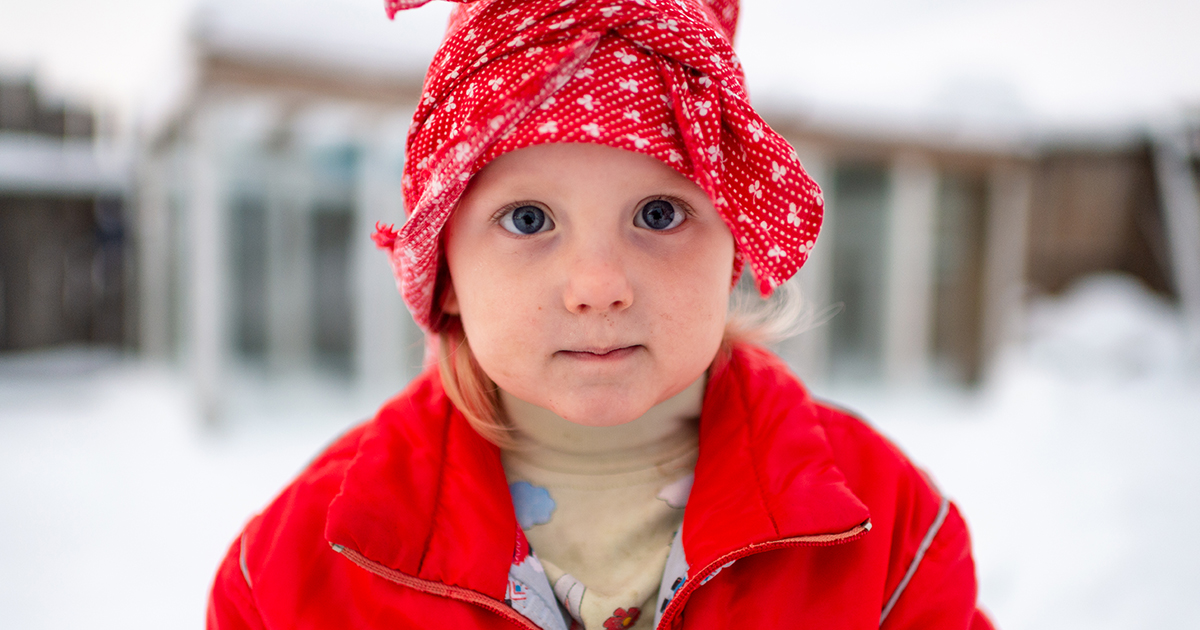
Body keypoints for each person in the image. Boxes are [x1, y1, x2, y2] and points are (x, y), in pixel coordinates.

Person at [208, 0, 995, 628]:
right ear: (444, 267)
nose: (597, 286)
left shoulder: (888, 536)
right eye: (528, 220)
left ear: (735, 247)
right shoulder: (294, 576)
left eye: (658, 214)